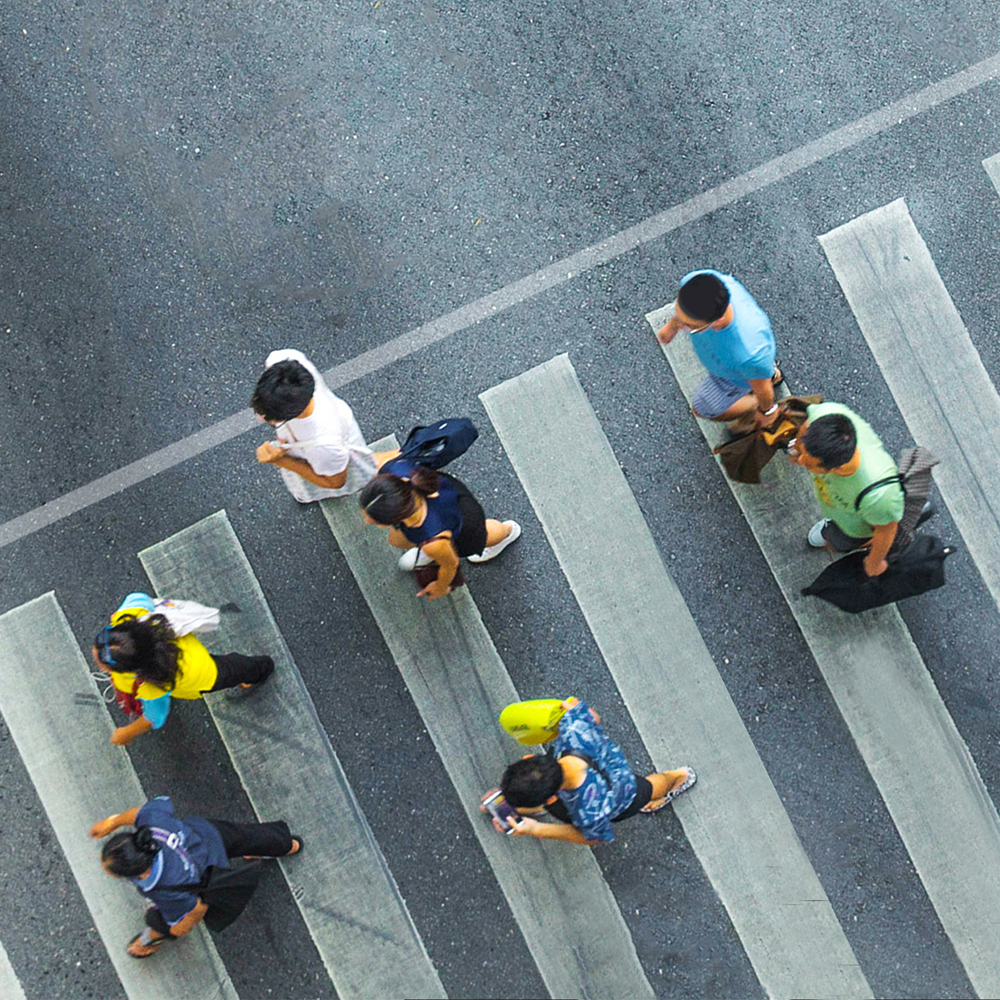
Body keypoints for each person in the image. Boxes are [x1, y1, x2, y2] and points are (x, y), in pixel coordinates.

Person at [91, 796, 301, 958]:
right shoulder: (152, 826)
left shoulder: (162, 889)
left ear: (141, 873)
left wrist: (179, 929)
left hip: (210, 871)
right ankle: (287, 844)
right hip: (208, 833)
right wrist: (112, 823)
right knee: (246, 836)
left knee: (162, 922)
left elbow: (195, 909)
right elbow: (139, 814)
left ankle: (147, 941)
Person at [492, 698, 695, 845]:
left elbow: (593, 837)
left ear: (552, 798)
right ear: (528, 758)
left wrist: (537, 829)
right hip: (608, 765)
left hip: (622, 794)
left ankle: (676, 778)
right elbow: (590, 715)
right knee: (645, 787)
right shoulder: (572, 730)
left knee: (648, 789)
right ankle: (673, 778)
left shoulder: (591, 811)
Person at [93, 593, 274, 746]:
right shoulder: (128, 618)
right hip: (194, 663)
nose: (98, 662)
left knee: (238, 668)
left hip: (203, 673)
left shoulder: (153, 687)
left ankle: (262, 669)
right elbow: (138, 597)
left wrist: (127, 733)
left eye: (103, 665)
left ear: (131, 669)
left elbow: (154, 717)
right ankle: (254, 672)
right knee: (232, 666)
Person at [358, 452, 521, 600]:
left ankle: (507, 532)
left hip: (463, 523)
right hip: (441, 491)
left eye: (376, 520)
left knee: (483, 535)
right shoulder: (390, 467)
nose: (367, 520)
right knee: (402, 540)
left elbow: (450, 564)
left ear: (399, 516)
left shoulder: (435, 541)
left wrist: (441, 586)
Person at [788, 402, 905, 577]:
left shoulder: (878, 497)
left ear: (838, 469)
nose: (801, 461)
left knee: (842, 540)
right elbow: (807, 425)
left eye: (809, 464)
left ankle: (836, 536)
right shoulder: (826, 415)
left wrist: (874, 562)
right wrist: (797, 447)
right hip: (837, 504)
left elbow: (885, 530)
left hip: (851, 527)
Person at [657, 269, 781, 429]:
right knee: (758, 373)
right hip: (732, 365)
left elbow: (763, 388)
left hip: (732, 378)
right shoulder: (695, 281)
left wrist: (767, 411)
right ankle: (769, 374)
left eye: (690, 326)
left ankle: (753, 402)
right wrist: (672, 326)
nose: (682, 325)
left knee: (701, 410)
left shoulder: (750, 353)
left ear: (717, 321)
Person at [252, 348, 376, 502]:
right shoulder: (284, 359)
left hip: (328, 453)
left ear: (290, 414)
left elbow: (335, 481)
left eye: (270, 419)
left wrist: (281, 461)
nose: (260, 418)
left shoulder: (324, 447)